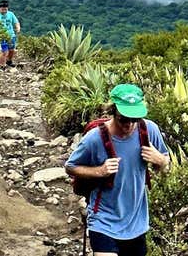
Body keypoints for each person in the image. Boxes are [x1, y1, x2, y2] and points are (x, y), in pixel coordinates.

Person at [65, 84, 170, 256]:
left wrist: (161, 161)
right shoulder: (95, 138)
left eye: (134, 119)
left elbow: (166, 169)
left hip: (137, 221)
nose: (129, 125)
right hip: (103, 219)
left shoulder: (150, 130)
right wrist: (99, 171)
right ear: (113, 111)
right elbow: (70, 167)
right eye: (123, 119)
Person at [0, 0, 20, 68]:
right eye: (2, 9)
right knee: (4, 51)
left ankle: (9, 61)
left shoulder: (11, 14)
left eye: (5, 9)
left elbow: (16, 22)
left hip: (11, 35)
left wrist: (18, 28)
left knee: (12, 50)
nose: (4, 10)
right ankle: (1, 65)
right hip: (2, 36)